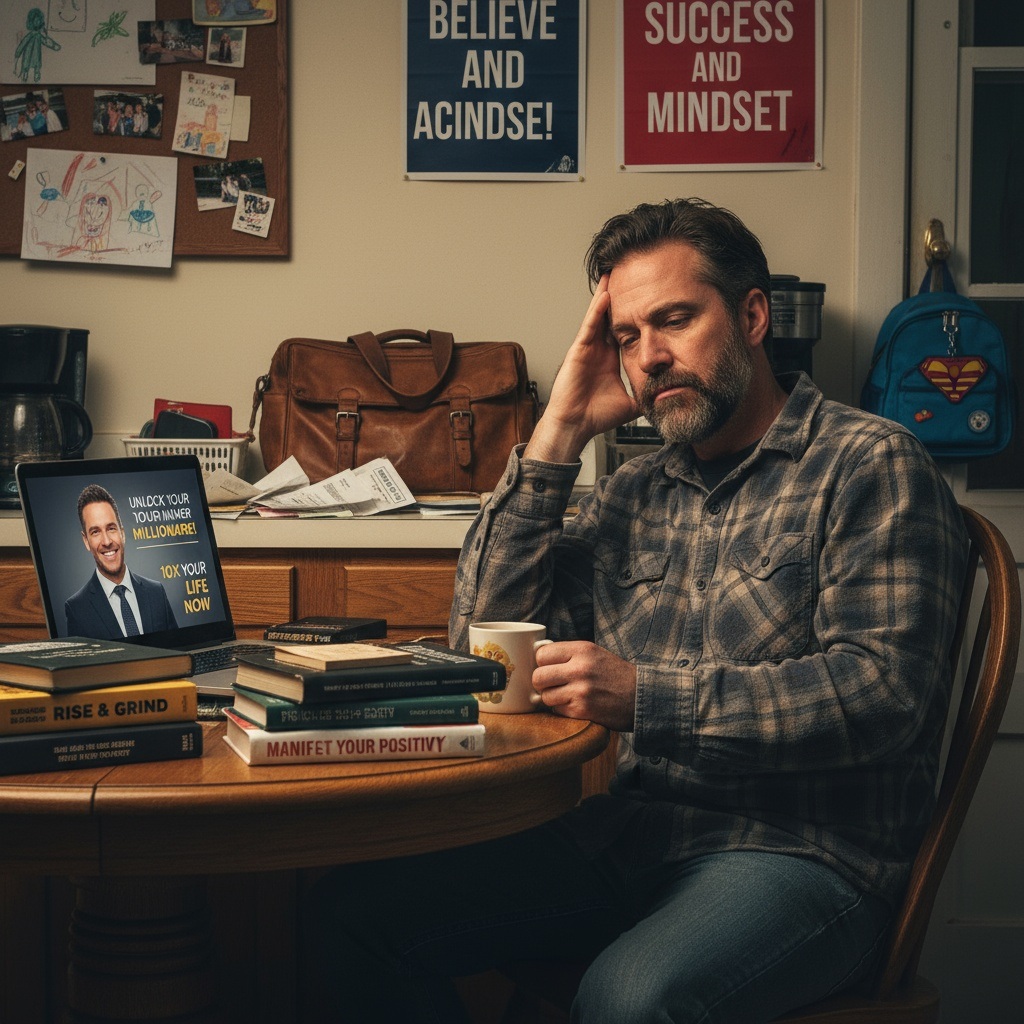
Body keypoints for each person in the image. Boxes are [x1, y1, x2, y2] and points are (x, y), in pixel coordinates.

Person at [309, 198, 969, 1023]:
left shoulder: (870, 463)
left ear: (753, 316)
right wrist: (557, 436)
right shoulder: (632, 491)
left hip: (807, 858)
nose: (650, 358)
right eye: (627, 337)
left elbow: (882, 697)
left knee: (626, 998)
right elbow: (483, 645)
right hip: (630, 838)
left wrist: (645, 697)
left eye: (676, 320)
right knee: (347, 919)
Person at [65, 484, 177, 640]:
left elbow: (178, 653)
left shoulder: (156, 592)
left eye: (111, 528)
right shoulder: (77, 609)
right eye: (95, 532)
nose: (106, 541)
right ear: (86, 540)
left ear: (122, 533)